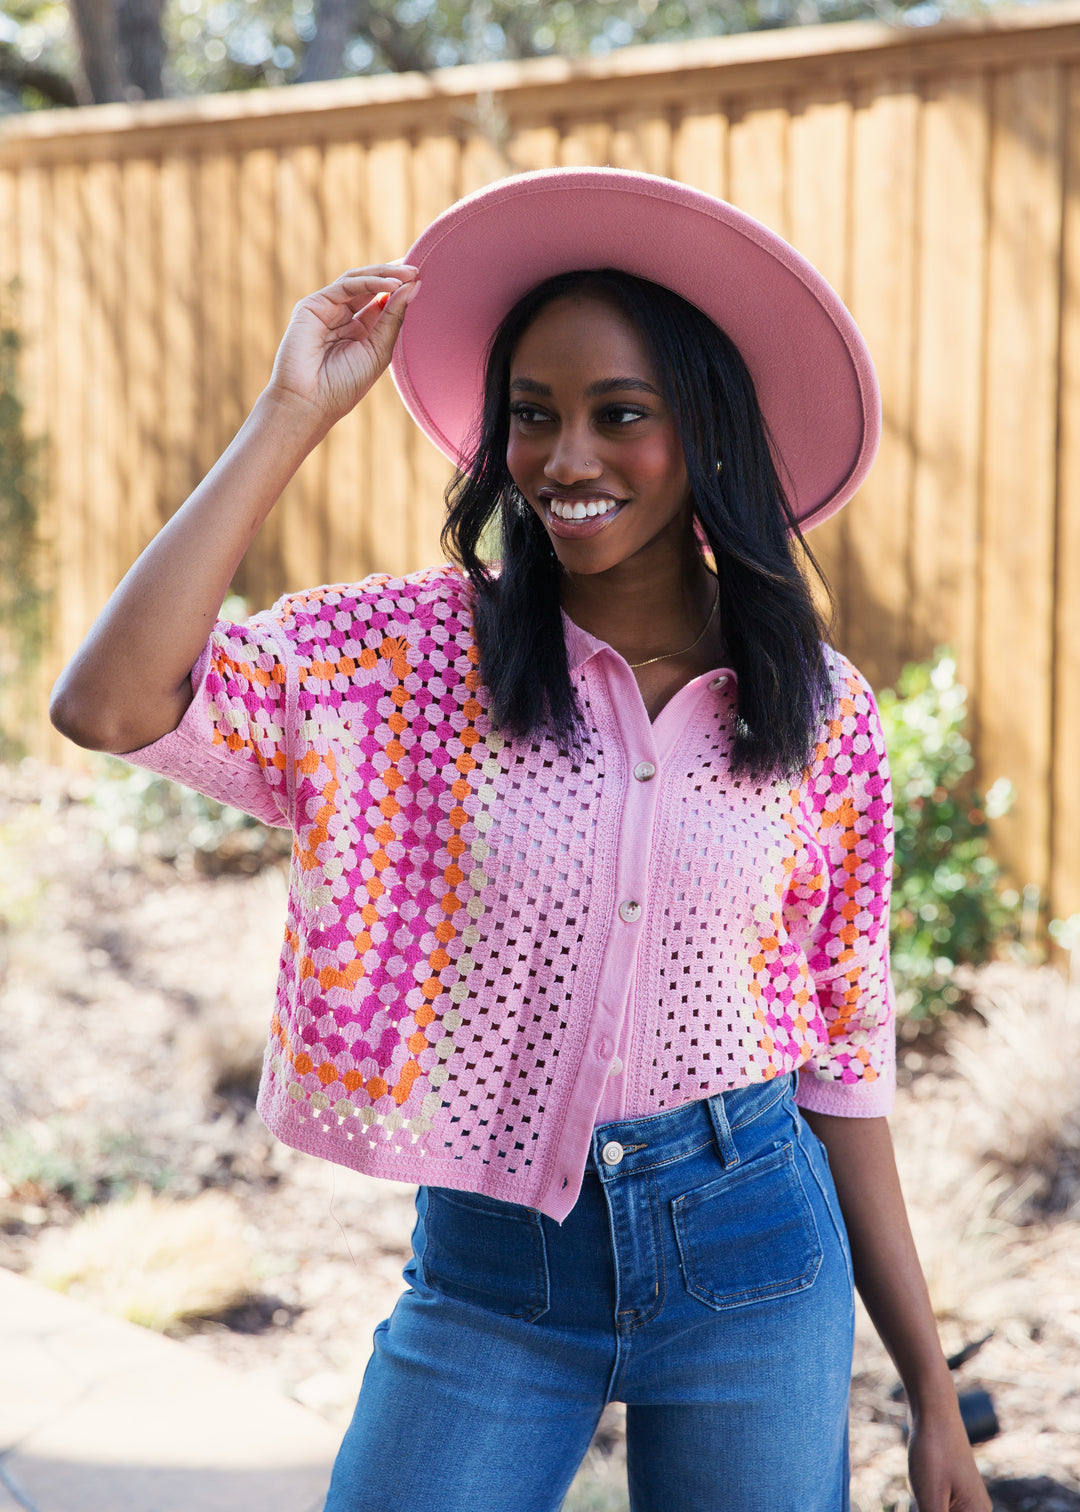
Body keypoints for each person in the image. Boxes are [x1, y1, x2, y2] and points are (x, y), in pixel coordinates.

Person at [50, 168, 991, 1512]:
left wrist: (929, 1392)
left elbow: (845, 1047)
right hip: (496, 1277)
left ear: (707, 436)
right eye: (533, 418)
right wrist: (290, 415)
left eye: (622, 415)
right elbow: (110, 702)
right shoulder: (419, 660)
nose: (566, 459)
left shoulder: (820, 712)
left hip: (755, 1250)